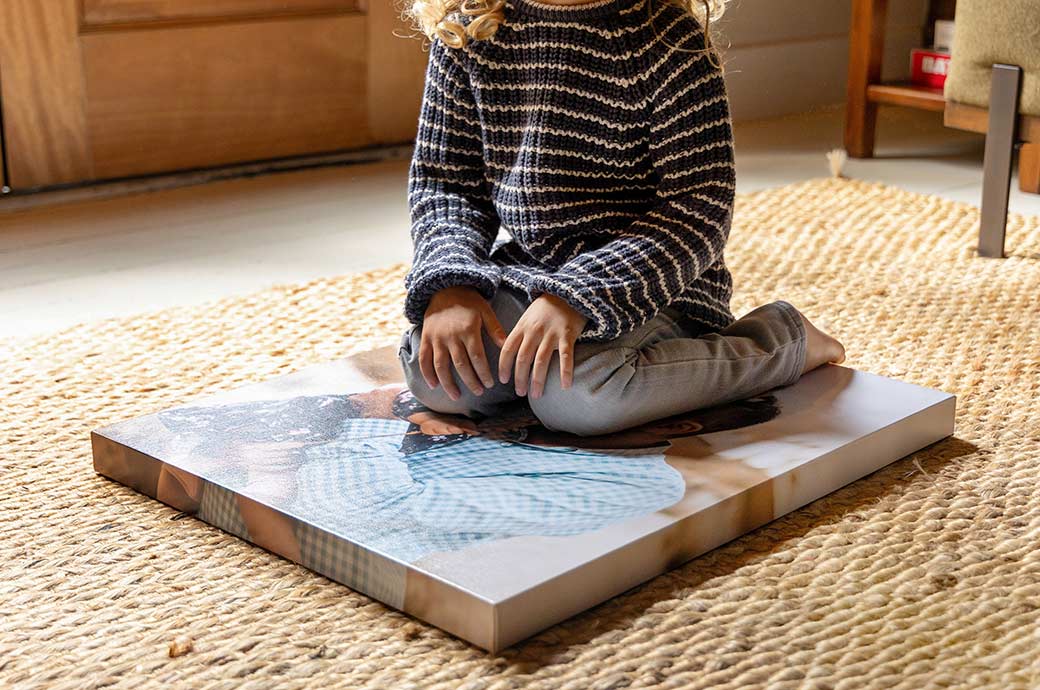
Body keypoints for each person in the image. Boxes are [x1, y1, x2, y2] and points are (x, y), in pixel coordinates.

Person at [398, 0, 845, 438]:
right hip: (531, 273)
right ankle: (537, 371)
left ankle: (782, 341)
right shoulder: (469, 31)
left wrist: (577, 296)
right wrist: (450, 283)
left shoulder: (666, 37)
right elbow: (447, 183)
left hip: (656, 285)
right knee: (432, 371)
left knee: (581, 398)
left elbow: (698, 208)